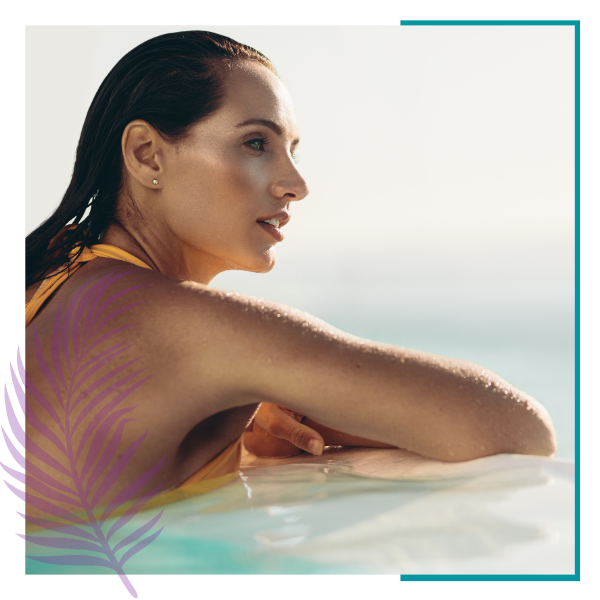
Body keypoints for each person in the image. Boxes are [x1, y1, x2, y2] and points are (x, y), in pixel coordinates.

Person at [24, 31, 556, 518]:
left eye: (292, 151)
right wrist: (318, 406)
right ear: (147, 156)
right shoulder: (183, 326)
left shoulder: (51, 273)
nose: (296, 184)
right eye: (257, 143)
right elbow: (520, 430)